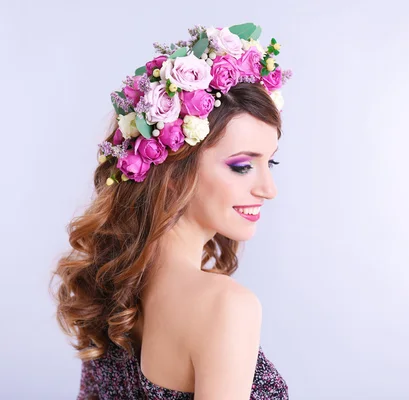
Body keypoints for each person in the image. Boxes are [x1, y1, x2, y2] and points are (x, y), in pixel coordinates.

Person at [51, 23, 292, 399]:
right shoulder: (225, 307)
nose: (268, 189)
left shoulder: (112, 290)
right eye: (243, 165)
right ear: (175, 172)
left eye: (270, 164)